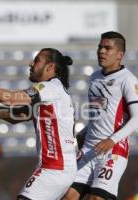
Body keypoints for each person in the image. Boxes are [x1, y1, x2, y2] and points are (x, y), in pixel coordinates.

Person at [0, 48, 77, 200]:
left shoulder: (50, 87)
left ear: (50, 67)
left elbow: (9, 98)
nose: (31, 63)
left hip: (55, 167)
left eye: (37, 60)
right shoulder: (49, 96)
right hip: (56, 167)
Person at [62, 31, 138, 200]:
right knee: (67, 196)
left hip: (113, 151)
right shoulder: (95, 77)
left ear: (120, 54)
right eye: (100, 47)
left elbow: (136, 119)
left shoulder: (128, 80)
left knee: (95, 199)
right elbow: (101, 115)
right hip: (89, 148)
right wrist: (84, 133)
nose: (101, 51)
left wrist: (111, 140)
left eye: (107, 48)